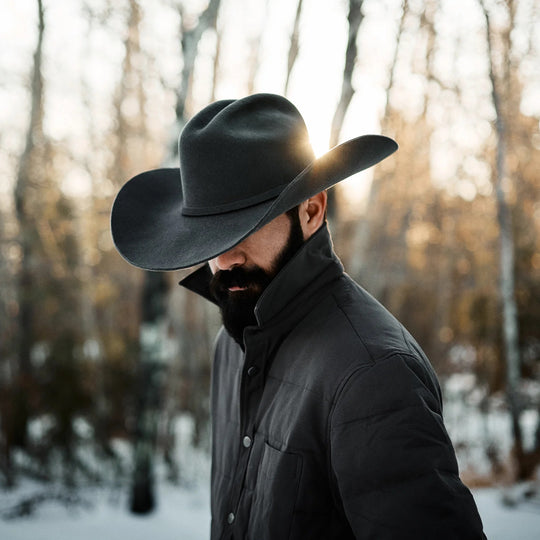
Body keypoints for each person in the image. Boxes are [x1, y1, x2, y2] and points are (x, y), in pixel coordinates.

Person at [111, 93, 486, 539]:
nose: (225, 258)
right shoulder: (232, 343)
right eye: (210, 236)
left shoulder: (373, 374)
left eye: (245, 227)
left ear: (311, 210)